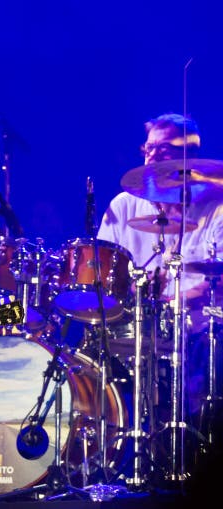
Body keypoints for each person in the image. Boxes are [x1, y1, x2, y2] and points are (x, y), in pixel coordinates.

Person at [96, 113, 223, 459]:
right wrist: (135, 292)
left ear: (189, 158)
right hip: (134, 325)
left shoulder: (216, 207)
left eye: (164, 149)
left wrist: (174, 299)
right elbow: (102, 277)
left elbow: (220, 281)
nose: (152, 157)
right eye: (148, 148)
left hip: (199, 327)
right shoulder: (122, 207)